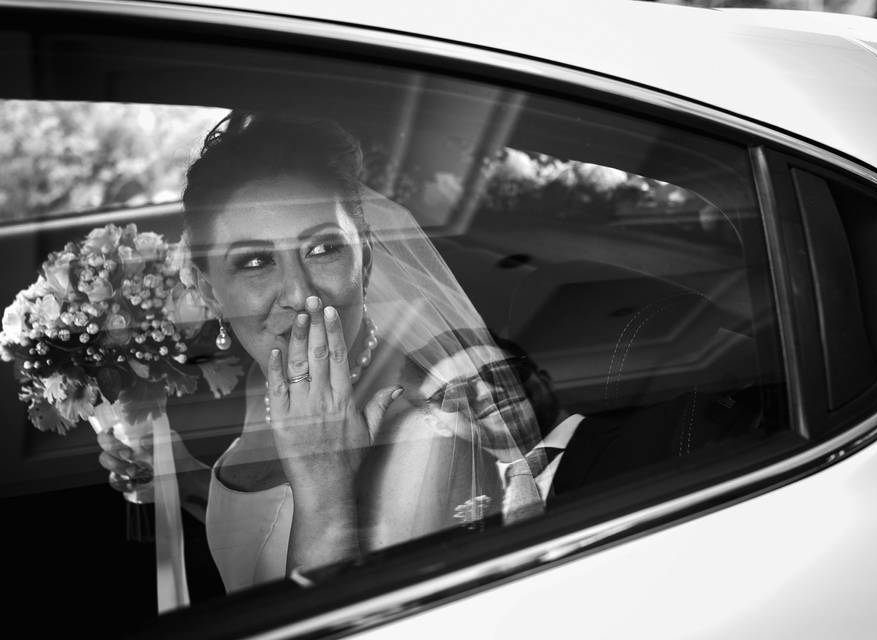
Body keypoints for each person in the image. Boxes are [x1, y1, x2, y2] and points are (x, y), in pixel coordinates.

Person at [98, 113, 544, 596]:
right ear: (210, 294)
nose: (299, 293)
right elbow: (264, 537)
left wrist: (327, 496)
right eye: (255, 261)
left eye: (323, 249)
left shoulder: (423, 438)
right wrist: (183, 478)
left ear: (366, 261)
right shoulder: (271, 386)